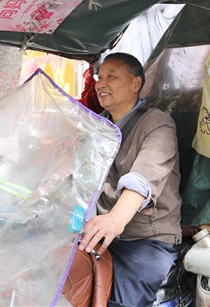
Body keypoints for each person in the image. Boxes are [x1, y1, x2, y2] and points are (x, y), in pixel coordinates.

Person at [62, 53, 182, 307]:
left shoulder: (157, 123)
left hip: (146, 240)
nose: (101, 84)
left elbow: (143, 179)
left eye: (112, 76)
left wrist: (115, 220)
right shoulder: (97, 127)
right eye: (99, 77)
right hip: (99, 234)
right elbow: (80, 178)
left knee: (123, 299)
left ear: (136, 84)